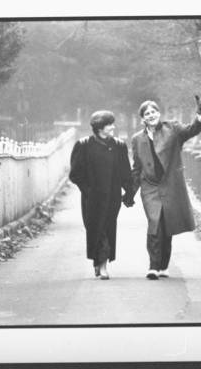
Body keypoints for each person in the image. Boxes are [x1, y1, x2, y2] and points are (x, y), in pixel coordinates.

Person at [128, 96, 201, 279]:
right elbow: (137, 167)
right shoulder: (137, 139)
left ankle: (163, 265)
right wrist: (130, 192)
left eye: (153, 111)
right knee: (154, 223)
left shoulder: (173, 129)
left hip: (169, 184)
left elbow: (192, 130)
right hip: (150, 187)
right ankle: (153, 266)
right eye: (147, 113)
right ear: (142, 119)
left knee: (166, 224)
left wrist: (200, 114)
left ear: (159, 113)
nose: (151, 115)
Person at [69, 110, 133, 280]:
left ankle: (102, 265)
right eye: (109, 124)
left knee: (107, 228)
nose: (113, 127)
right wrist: (88, 190)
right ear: (99, 127)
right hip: (92, 199)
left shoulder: (119, 146)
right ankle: (100, 263)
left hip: (112, 197)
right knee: (95, 229)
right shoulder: (83, 145)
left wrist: (129, 192)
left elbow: (126, 172)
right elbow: (75, 174)